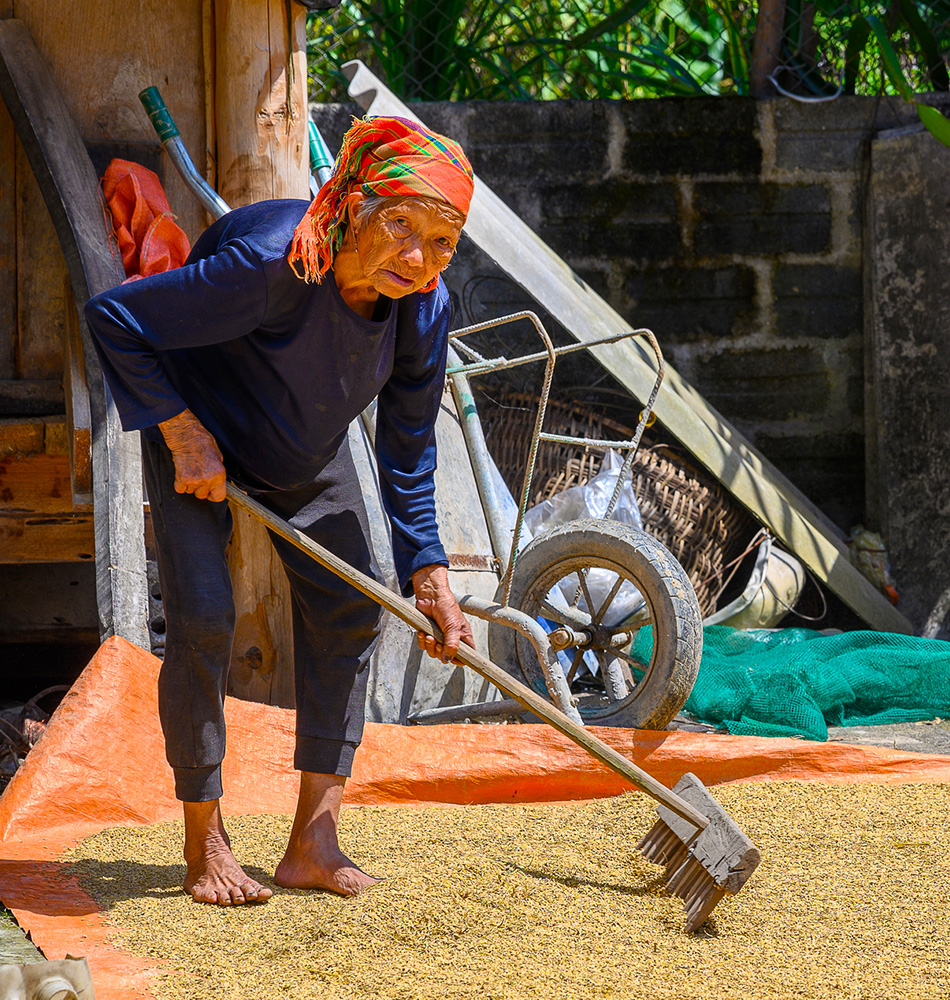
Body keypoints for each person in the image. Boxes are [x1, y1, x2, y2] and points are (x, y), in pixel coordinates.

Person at [84, 115, 476, 907]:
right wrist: (183, 432)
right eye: (401, 226)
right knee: (202, 616)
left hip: (305, 444)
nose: (417, 259)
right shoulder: (275, 264)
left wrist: (427, 565)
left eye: (442, 243)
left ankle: (312, 842)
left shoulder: (421, 309)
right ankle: (205, 840)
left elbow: (406, 447)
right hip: (198, 423)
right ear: (355, 205)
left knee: (351, 609)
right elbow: (116, 318)